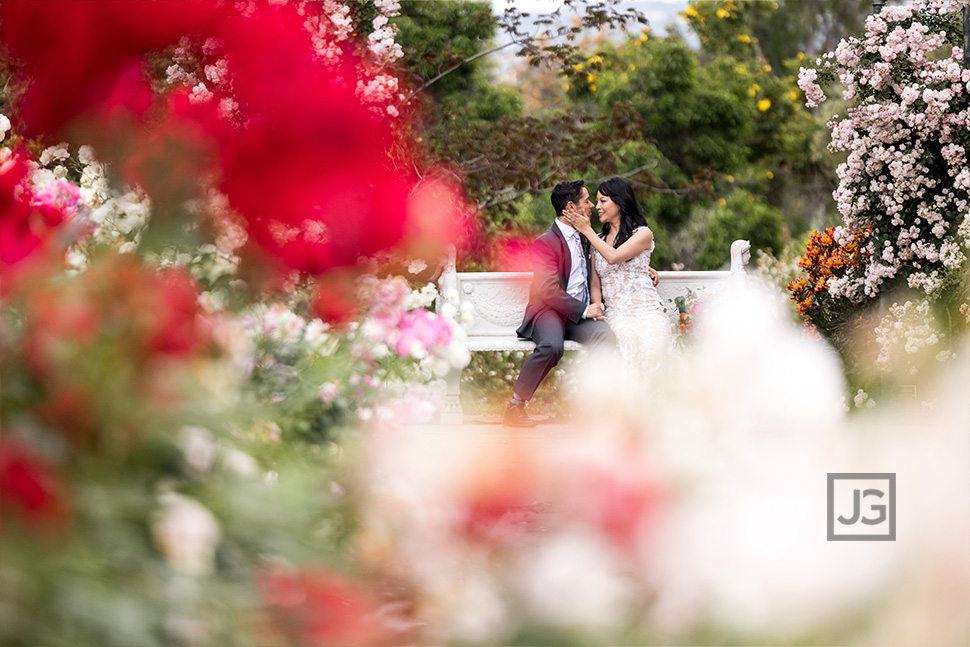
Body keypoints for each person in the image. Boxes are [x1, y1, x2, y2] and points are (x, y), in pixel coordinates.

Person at [503, 180, 618, 428]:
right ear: (571, 207)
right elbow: (546, 291)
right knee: (551, 347)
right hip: (549, 310)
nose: (590, 205)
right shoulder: (545, 243)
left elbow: (611, 256)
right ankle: (515, 406)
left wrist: (646, 269)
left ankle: (595, 407)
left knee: (605, 337)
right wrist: (585, 309)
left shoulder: (585, 236)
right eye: (586, 201)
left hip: (577, 315)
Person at [561, 176, 669, 385]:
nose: (597, 207)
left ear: (619, 202)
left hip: (646, 309)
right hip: (618, 312)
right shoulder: (597, 241)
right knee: (626, 336)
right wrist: (597, 305)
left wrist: (587, 230)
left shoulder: (643, 233)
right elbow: (595, 281)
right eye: (596, 201)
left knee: (653, 337)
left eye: (603, 201)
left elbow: (613, 257)